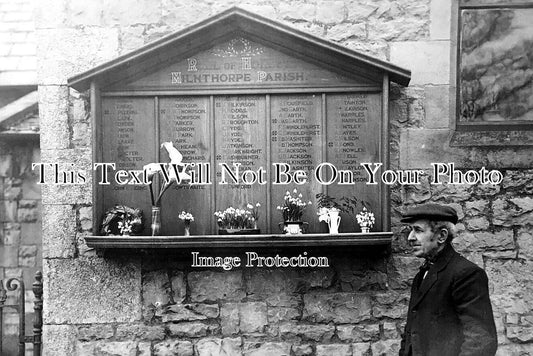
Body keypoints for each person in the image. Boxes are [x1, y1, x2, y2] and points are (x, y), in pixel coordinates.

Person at [399, 203, 497, 356]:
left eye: (418, 230)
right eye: (411, 230)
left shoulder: (466, 274)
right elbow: (412, 331)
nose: (410, 238)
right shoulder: (423, 273)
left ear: (442, 236)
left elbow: (481, 342)